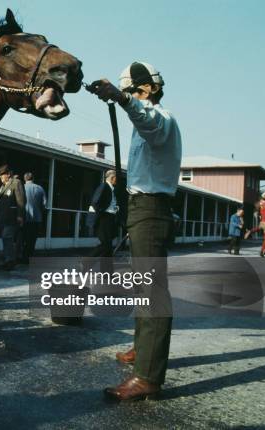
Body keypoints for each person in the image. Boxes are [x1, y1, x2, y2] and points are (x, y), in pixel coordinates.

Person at [87, 61, 181, 401]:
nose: (131, 98)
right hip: (141, 207)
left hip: (152, 208)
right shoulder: (143, 123)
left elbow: (147, 119)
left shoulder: (161, 119)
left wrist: (122, 100)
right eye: (129, 93)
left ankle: (148, 377)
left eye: (134, 91)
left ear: (151, 89)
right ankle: (143, 351)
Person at [0, 165, 26, 270]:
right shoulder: (2, 186)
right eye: (0, 176)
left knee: (7, 237)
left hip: (12, 218)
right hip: (2, 218)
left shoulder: (16, 183)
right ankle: (7, 260)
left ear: (8, 174)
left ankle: (10, 261)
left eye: (2, 176)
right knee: (5, 239)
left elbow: (20, 200)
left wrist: (20, 216)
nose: (1, 178)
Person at [89, 170, 119, 272]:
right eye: (116, 178)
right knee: (105, 245)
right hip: (103, 218)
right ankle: (86, 262)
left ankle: (107, 272)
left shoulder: (111, 189)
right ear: (112, 178)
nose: (117, 180)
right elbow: (95, 202)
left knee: (108, 246)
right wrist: (101, 214)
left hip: (109, 218)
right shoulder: (104, 187)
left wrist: (115, 209)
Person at [21, 172, 47, 264]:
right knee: (32, 239)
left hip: (24, 217)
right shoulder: (40, 188)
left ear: (25, 179)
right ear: (33, 178)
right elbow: (44, 204)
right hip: (36, 218)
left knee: (22, 238)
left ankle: (22, 257)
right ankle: (30, 257)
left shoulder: (22, 188)